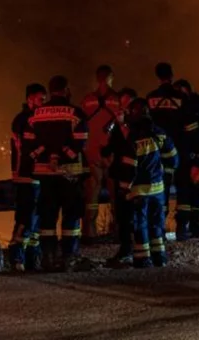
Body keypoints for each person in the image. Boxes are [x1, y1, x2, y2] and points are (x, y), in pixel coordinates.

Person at [27, 75, 89, 272]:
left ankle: (48, 257)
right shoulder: (75, 112)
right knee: (71, 215)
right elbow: (80, 140)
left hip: (45, 175)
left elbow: (29, 142)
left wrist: (47, 155)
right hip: (68, 174)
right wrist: (62, 156)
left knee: (47, 218)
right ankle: (69, 257)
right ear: (66, 89)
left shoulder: (35, 114)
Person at [117, 98, 179, 268]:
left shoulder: (133, 138)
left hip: (138, 192)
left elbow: (129, 168)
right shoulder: (159, 132)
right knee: (157, 223)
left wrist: (123, 189)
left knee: (141, 224)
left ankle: (143, 259)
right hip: (158, 189)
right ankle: (159, 257)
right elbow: (173, 158)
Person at [146, 62, 199, 240]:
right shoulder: (182, 98)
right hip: (181, 150)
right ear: (172, 75)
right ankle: (182, 229)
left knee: (162, 189)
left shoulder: (150, 99)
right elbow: (192, 127)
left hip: (159, 153)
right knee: (183, 189)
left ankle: (158, 229)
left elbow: (147, 127)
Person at [80, 65, 121, 243]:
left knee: (92, 194)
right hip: (113, 153)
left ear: (97, 78)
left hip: (92, 152)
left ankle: (90, 232)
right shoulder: (118, 99)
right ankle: (119, 230)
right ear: (111, 77)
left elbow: (81, 125)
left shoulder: (87, 100)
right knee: (116, 194)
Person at [9, 83, 46, 272]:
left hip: (39, 175)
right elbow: (27, 149)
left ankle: (32, 260)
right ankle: (17, 257)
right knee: (26, 217)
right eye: (40, 99)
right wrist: (46, 147)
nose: (43, 103)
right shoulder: (23, 120)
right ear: (29, 99)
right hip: (26, 176)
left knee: (37, 219)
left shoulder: (37, 118)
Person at [101, 87, 137, 267]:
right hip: (119, 172)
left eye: (125, 103)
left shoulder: (137, 122)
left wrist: (122, 124)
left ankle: (135, 251)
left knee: (133, 214)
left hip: (133, 176)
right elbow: (112, 145)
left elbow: (132, 143)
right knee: (122, 214)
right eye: (120, 103)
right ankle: (125, 249)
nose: (121, 107)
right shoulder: (118, 124)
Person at [174, 79, 199, 236]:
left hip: (191, 155)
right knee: (189, 190)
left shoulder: (193, 106)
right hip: (190, 155)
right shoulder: (190, 108)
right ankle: (189, 226)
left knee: (191, 190)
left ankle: (190, 226)